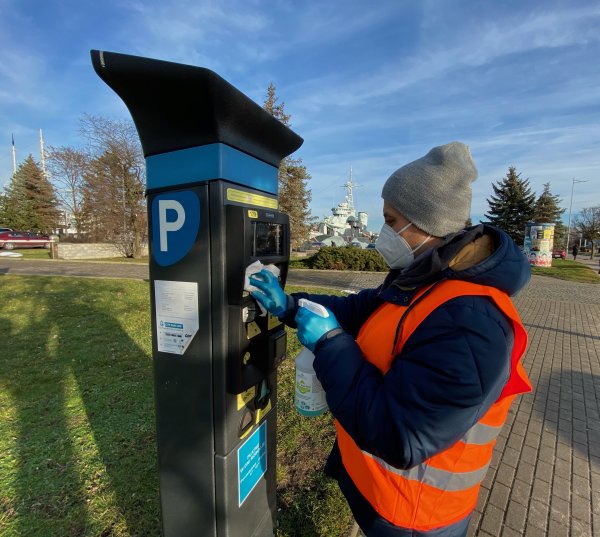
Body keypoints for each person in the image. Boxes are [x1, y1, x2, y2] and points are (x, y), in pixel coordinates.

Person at [250, 142, 532, 537]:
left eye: (390, 219)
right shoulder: (423, 279)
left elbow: (403, 436)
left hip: (414, 518)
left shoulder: (472, 322)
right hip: (378, 491)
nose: (383, 232)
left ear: (425, 222)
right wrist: (291, 306)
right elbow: (358, 309)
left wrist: (331, 343)